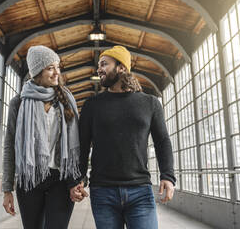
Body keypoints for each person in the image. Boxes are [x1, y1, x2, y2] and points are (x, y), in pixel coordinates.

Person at [70, 46, 176, 229]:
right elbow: (82, 145)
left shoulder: (149, 103)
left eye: (104, 64)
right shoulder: (92, 105)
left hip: (140, 191)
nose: (99, 69)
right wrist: (79, 179)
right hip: (102, 192)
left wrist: (168, 176)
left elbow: (162, 141)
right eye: (98, 65)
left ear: (121, 68)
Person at [2, 45, 83, 229]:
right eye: (50, 68)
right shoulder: (19, 103)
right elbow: (10, 145)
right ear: (37, 72)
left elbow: (76, 144)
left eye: (58, 67)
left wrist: (77, 180)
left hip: (60, 179)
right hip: (30, 179)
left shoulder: (66, 100)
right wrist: (7, 189)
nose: (57, 73)